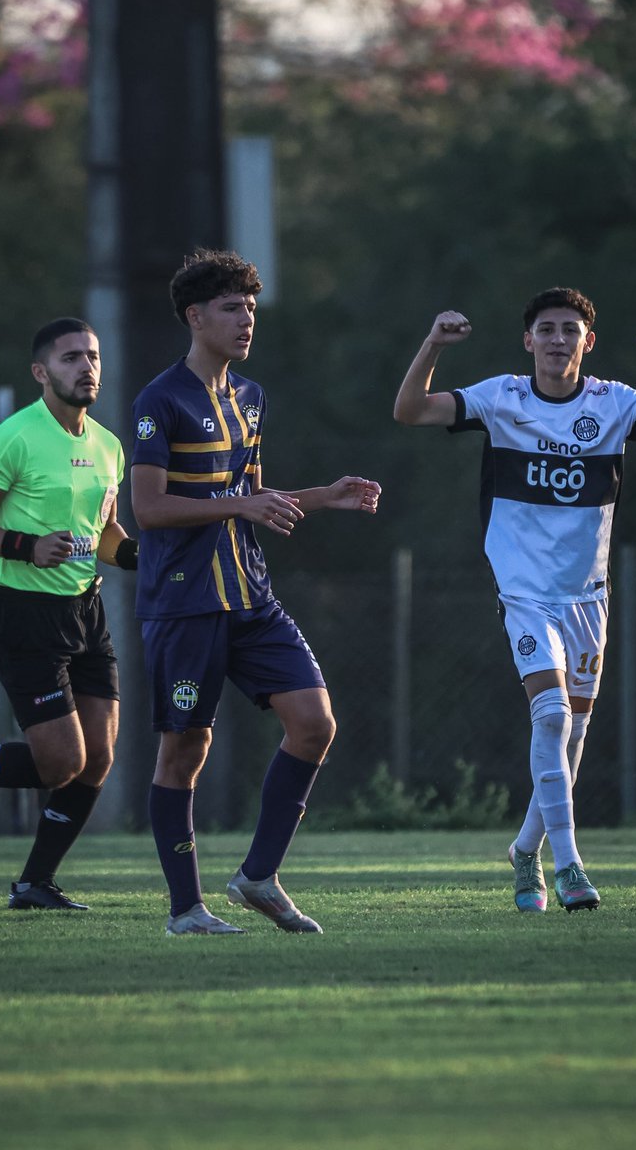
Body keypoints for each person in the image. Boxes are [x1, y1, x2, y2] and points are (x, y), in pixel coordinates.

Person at [393, 287, 636, 913]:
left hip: (587, 595)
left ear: (587, 342)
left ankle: (523, 851)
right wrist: (433, 343)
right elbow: (408, 411)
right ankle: (569, 867)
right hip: (524, 592)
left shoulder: (614, 403)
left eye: (571, 329)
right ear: (528, 340)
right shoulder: (501, 397)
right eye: (547, 328)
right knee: (551, 717)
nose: (558, 339)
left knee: (573, 735)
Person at [131, 248, 381, 935]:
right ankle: (187, 910)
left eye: (250, 309)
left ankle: (259, 877)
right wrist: (239, 506)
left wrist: (321, 497)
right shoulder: (160, 401)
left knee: (315, 723)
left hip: (250, 595)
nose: (246, 321)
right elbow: (148, 510)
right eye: (232, 309)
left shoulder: (251, 397)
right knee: (185, 752)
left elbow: (252, 497)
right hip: (185, 602)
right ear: (196, 316)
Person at [0, 317, 138, 910]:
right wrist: (25, 546)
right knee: (61, 762)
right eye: (70, 358)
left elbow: (105, 531)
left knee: (98, 758)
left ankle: (34, 883)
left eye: (93, 356)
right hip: (26, 615)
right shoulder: (13, 437)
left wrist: (141, 556)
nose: (86, 367)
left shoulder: (108, 444)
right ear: (41, 372)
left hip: (86, 611)